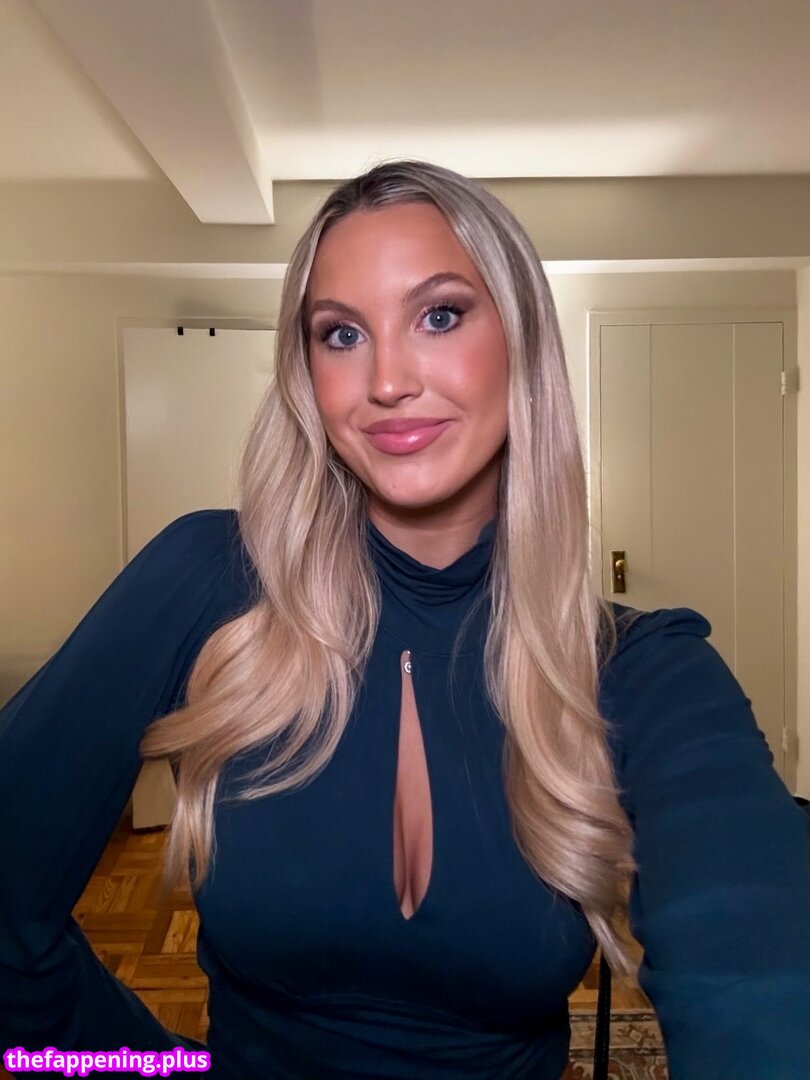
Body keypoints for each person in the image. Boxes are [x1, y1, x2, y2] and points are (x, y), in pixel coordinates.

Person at [0, 159, 808, 1080]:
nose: (386, 380)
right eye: (341, 334)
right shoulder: (208, 578)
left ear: (523, 342)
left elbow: (755, 959)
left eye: (440, 315)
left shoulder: (639, 668)